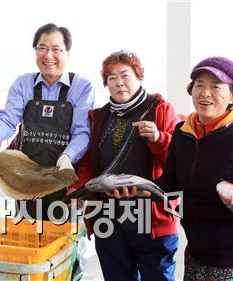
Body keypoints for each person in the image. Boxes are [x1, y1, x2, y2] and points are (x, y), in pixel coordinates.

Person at [0, 23, 94, 281]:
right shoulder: (23, 84)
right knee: (30, 246)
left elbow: (82, 132)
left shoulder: (82, 86)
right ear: (34, 51)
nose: (48, 55)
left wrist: (67, 157)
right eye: (42, 48)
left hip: (65, 184)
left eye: (56, 49)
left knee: (67, 251)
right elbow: (8, 119)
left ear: (67, 53)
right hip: (26, 183)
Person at [154, 56, 233, 280]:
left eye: (215, 86)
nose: (205, 93)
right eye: (199, 85)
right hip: (195, 253)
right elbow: (170, 183)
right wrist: (140, 190)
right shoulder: (182, 133)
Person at [68, 50, 181, 280]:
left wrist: (159, 139)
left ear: (139, 77)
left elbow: (180, 160)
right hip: (108, 216)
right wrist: (78, 188)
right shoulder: (98, 117)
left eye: (125, 75)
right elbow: (90, 162)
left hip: (151, 216)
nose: (119, 82)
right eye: (111, 78)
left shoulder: (160, 108)